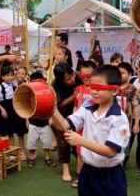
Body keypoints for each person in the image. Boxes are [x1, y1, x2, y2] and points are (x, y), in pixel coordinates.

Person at [51, 65, 130, 196]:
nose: (94, 91)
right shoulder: (87, 109)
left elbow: (110, 152)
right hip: (87, 171)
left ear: (114, 91)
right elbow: (64, 125)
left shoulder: (119, 118)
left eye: (99, 88)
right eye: (93, 87)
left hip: (110, 175)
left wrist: (81, 141)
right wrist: (51, 106)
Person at [51, 62, 83, 182]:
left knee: (79, 140)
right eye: (68, 79)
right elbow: (60, 104)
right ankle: (65, 169)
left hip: (79, 113)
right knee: (63, 141)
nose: (72, 79)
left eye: (72, 75)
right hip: (62, 114)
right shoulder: (55, 85)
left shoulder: (79, 77)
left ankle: (82, 165)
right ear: (60, 81)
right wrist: (74, 96)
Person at [0, 66, 28, 160]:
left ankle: (20, 151)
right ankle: (8, 151)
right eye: (7, 75)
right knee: (7, 132)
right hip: (4, 110)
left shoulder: (14, 84)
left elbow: (20, 80)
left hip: (14, 110)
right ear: (3, 77)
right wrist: (2, 109)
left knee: (17, 131)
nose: (10, 77)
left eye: (12, 75)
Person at [71, 60, 97, 188]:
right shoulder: (78, 89)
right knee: (80, 152)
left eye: (89, 76)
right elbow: (76, 106)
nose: (86, 79)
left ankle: (93, 177)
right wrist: (73, 122)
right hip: (81, 125)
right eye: (83, 76)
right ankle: (80, 177)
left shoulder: (97, 90)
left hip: (94, 125)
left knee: (93, 151)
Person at [25, 72, 56, 168]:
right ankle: (31, 157)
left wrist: (51, 118)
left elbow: (52, 106)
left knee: (47, 142)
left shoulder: (47, 91)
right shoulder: (29, 92)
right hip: (33, 122)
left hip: (45, 122)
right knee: (31, 142)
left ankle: (47, 158)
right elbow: (26, 107)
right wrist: (27, 120)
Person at [117, 62, 140, 167]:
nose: (120, 75)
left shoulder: (132, 89)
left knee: (124, 144)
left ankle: (121, 165)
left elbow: (136, 106)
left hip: (125, 124)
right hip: (112, 122)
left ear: (129, 75)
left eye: (122, 73)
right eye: (117, 73)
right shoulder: (111, 86)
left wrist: (136, 123)